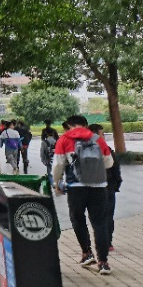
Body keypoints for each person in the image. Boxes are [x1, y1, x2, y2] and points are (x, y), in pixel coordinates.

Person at [53, 115, 114, 275]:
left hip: (76, 187)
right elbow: (109, 162)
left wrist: (57, 182)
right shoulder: (97, 139)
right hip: (98, 187)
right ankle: (103, 262)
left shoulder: (64, 139)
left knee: (77, 219)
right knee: (100, 223)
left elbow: (58, 165)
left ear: (69, 125)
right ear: (86, 125)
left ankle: (87, 253)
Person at [88, 124, 122, 252]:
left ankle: (102, 242)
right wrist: (116, 184)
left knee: (98, 216)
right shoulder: (106, 150)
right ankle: (107, 243)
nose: (104, 137)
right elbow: (116, 170)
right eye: (102, 134)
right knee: (107, 215)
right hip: (106, 187)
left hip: (94, 188)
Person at [40, 120, 59, 187]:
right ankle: (57, 183)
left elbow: (42, 139)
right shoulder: (54, 130)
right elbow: (58, 138)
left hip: (48, 155)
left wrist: (43, 160)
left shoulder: (44, 131)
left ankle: (53, 184)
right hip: (56, 155)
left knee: (49, 171)